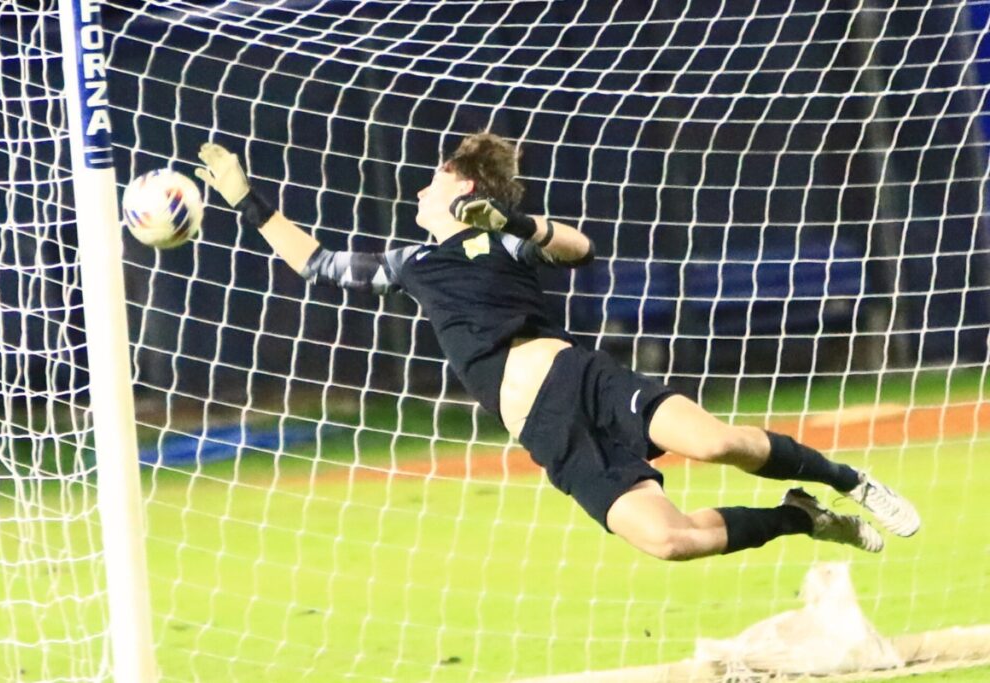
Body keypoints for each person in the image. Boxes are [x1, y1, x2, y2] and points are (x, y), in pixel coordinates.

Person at [195, 134, 920, 561]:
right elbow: (316, 262)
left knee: (716, 442)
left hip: (585, 378)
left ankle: (851, 480)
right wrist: (242, 196)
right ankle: (804, 517)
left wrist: (512, 218)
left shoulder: (502, 234)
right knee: (667, 541)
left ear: (464, 184)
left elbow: (580, 248)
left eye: (433, 178)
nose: (419, 190)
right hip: (547, 432)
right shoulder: (412, 264)